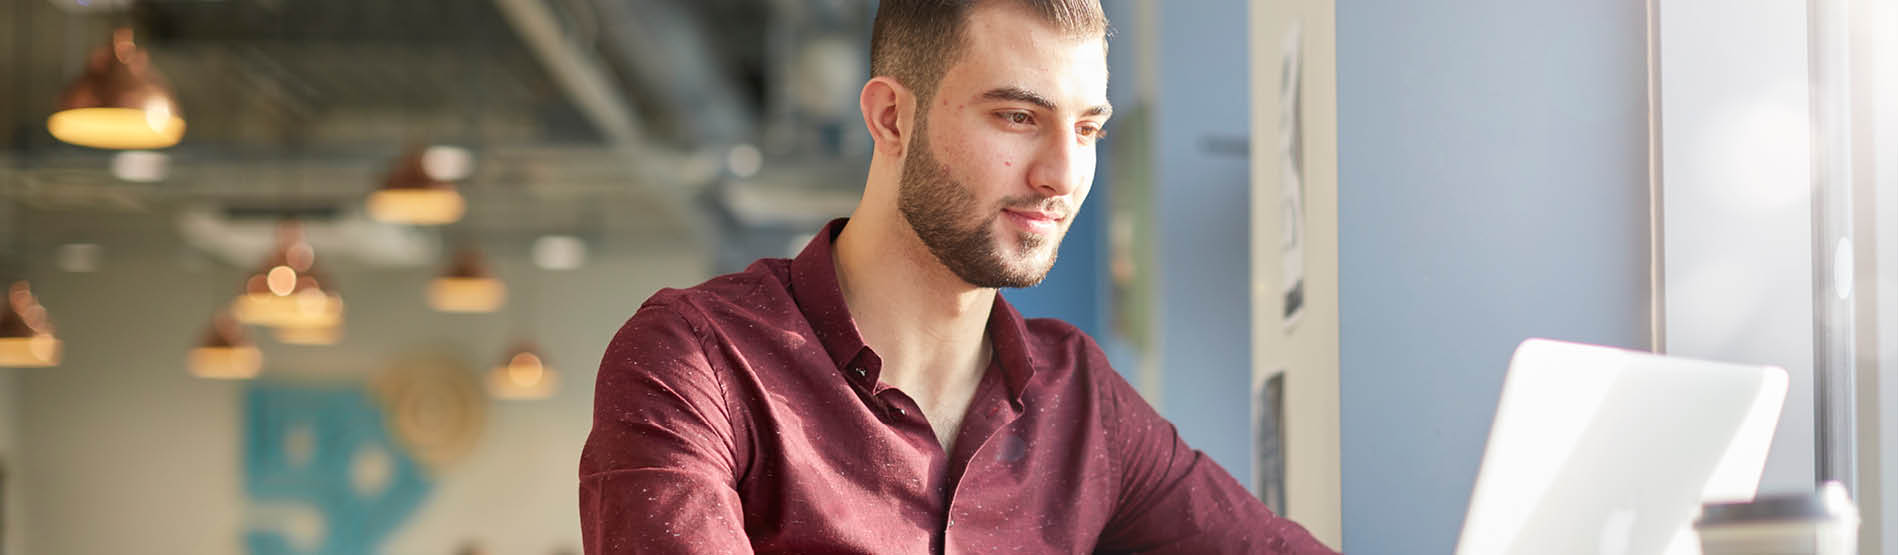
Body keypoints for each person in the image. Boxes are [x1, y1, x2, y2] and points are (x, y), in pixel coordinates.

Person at [578, 0, 1337, 553]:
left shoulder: (1080, 398)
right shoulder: (696, 360)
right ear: (891, 119)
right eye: (1016, 116)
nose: (1062, 175)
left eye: (1088, 128)